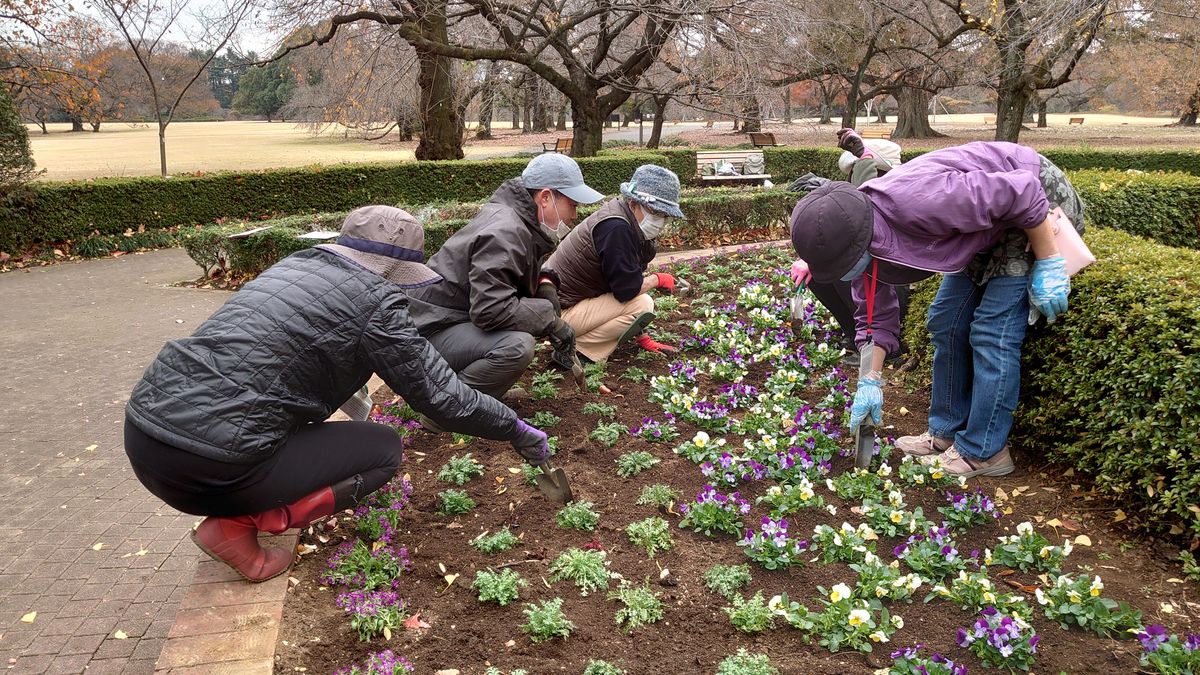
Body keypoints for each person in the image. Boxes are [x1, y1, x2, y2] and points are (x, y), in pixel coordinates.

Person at [123, 206, 551, 582]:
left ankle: (244, 511)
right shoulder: (378, 305)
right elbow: (443, 397)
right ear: (394, 271)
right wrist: (514, 428)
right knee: (383, 449)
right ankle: (246, 523)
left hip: (144, 433)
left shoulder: (294, 267)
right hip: (209, 465)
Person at [788, 141, 1082, 478]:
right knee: (945, 321)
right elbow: (874, 317)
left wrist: (1049, 262)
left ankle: (985, 451)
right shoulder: (858, 242)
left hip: (1033, 204)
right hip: (985, 228)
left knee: (991, 331)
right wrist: (869, 380)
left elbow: (1023, 192)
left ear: (861, 239)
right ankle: (944, 432)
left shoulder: (921, 201)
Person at [406, 153, 603, 407]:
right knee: (517, 346)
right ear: (545, 198)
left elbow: (509, 273)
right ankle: (447, 407)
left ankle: (480, 393)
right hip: (424, 337)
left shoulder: (518, 220)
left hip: (441, 323)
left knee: (517, 336)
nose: (574, 215)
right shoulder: (504, 232)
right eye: (572, 205)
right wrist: (549, 321)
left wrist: (545, 282)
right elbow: (491, 310)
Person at [543, 164, 684, 362]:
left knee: (640, 303)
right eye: (655, 212)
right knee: (643, 304)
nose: (660, 221)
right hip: (556, 315)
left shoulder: (624, 218)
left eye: (665, 216)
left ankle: (576, 344)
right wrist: (657, 279)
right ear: (634, 203)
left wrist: (642, 335)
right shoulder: (616, 228)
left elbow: (618, 281)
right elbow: (626, 291)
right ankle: (575, 350)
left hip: (560, 306)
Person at [791, 129, 909, 361]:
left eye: (858, 168)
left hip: (894, 280)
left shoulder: (888, 192)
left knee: (848, 267)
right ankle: (855, 332)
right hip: (876, 274)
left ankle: (883, 345)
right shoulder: (865, 187)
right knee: (822, 271)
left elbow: (864, 206)